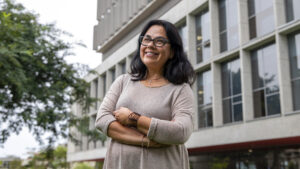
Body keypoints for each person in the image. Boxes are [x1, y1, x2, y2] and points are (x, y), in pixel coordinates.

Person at [95, 19, 195, 169]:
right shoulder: (123, 82)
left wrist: (133, 119)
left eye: (159, 41)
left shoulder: (180, 89)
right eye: (146, 39)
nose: (150, 45)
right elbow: (102, 120)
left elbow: (181, 132)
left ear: (172, 52)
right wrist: (145, 140)